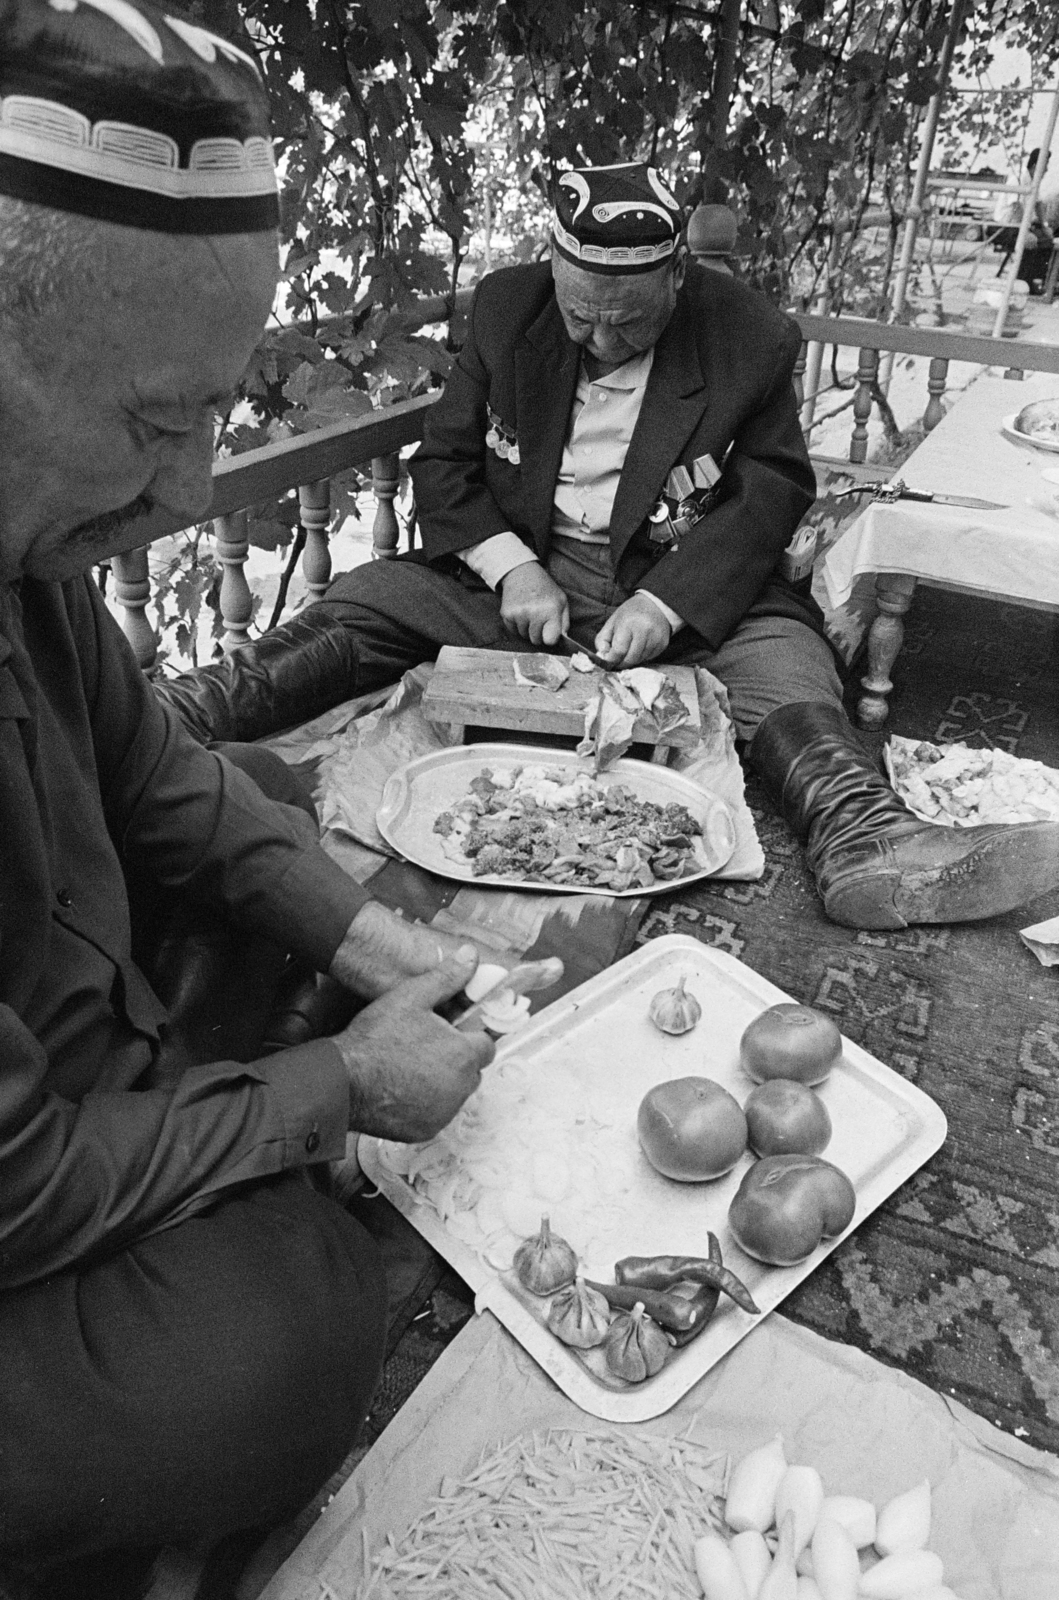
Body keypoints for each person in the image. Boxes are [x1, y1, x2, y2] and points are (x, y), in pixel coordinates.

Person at [0, 1, 493, 1591]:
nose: (195, 490)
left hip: (54, 1059)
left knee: (290, 834)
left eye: (219, 412)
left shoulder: (30, 551)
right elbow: (17, 1191)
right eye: (158, 422)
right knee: (270, 1352)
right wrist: (336, 1091)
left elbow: (155, 779)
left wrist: (372, 954)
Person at [170, 161, 1059, 934]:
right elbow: (443, 464)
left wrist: (666, 603)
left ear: (676, 277)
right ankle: (184, 716)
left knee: (782, 661)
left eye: (625, 325)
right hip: (523, 567)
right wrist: (513, 568)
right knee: (373, 601)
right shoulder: (506, 310)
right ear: (551, 268)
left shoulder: (749, 335)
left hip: (673, 575)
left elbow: (769, 495)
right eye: (579, 317)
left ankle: (865, 837)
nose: (597, 343)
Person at [992, 147, 1055, 294]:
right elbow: (1017, 206)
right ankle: (1021, 282)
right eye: (1045, 166)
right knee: (1030, 241)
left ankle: (1035, 280)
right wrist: (1025, 231)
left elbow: (1038, 205)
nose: (1046, 170)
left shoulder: (1034, 182)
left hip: (1019, 225)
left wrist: (1045, 226)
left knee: (1047, 240)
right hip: (1005, 226)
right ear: (1035, 166)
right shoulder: (1018, 179)